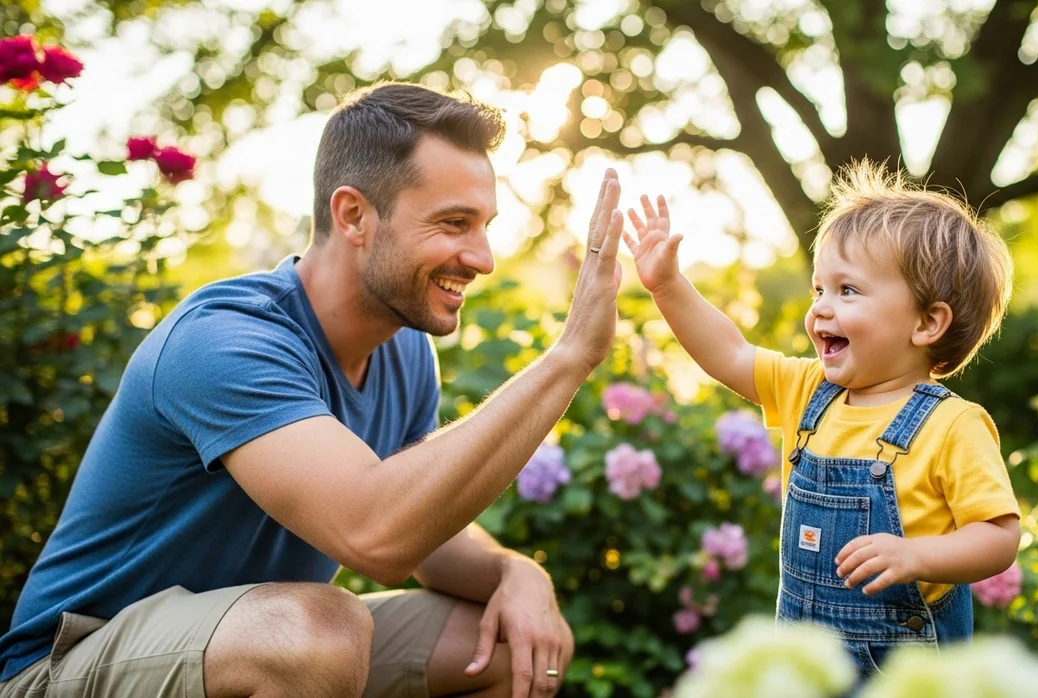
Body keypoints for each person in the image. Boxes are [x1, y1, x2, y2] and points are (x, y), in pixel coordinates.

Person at [0, 82, 629, 698]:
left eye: (484, 225)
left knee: (507, 643)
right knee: (320, 633)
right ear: (353, 214)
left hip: (248, 644)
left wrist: (512, 570)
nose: (483, 257)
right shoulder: (227, 341)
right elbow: (376, 535)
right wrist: (569, 357)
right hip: (71, 664)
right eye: (454, 223)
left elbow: (422, 532)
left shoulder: (404, 350)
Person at [624, 160, 1022, 681]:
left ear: (926, 322)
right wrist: (668, 287)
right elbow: (730, 354)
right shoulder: (810, 390)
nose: (821, 310)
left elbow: (998, 536)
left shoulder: (952, 426)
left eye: (847, 290)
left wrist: (918, 556)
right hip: (805, 668)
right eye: (819, 290)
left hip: (899, 676)